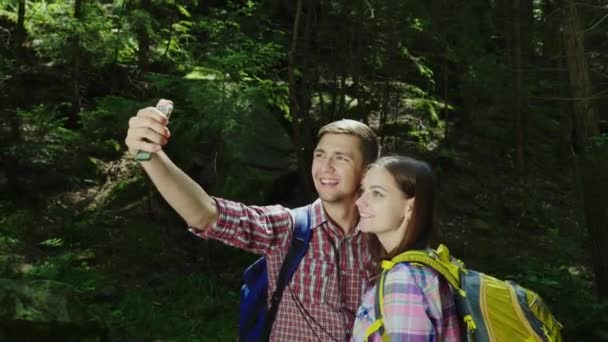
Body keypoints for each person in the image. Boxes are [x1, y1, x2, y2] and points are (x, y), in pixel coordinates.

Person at [124, 99, 380, 341]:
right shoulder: (289, 228)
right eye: (320, 155)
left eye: (341, 158)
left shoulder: (387, 239)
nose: (325, 167)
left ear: (368, 172)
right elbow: (206, 214)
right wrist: (150, 156)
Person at [351, 156, 460, 341]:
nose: (360, 202)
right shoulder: (426, 262)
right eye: (363, 191)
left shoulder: (403, 279)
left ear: (410, 207)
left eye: (377, 193)